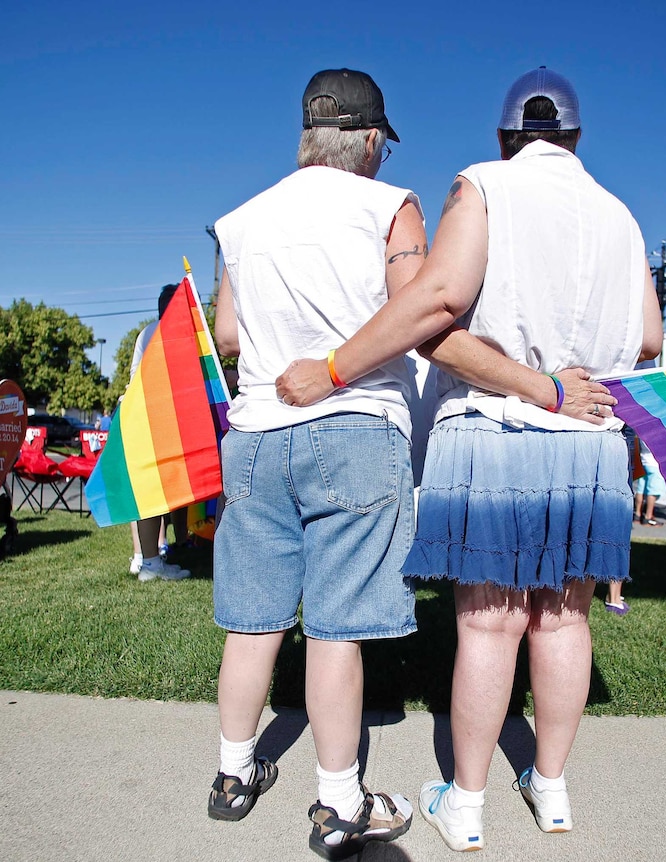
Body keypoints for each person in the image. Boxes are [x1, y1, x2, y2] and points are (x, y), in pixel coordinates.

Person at [277, 66, 662, 851]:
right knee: (565, 623)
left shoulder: (482, 184)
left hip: (495, 425)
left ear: (505, 137)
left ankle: (468, 804)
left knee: (489, 630)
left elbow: (439, 300)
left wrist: (342, 364)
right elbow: (650, 338)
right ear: (576, 139)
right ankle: (551, 790)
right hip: (589, 441)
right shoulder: (621, 215)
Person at [209, 68, 432, 859]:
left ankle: (234, 775)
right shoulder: (388, 204)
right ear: (372, 139)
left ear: (308, 135)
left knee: (253, 617)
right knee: (337, 628)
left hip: (257, 432)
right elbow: (420, 309)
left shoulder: (242, 221)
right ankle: (340, 802)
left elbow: (230, 335)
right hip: (352, 421)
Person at [127, 284, 191, 582]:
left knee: (149, 491)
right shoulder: (175, 333)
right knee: (156, 492)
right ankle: (151, 562)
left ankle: (147, 557)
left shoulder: (146, 332)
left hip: (141, 416)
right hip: (160, 418)